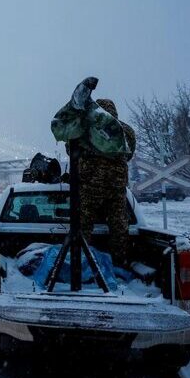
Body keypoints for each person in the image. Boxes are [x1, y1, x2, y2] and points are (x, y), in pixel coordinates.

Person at [79, 98, 136, 267]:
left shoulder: (86, 128)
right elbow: (129, 154)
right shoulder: (126, 130)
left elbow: (72, 149)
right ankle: (119, 262)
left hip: (89, 185)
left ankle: (82, 262)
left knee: (83, 226)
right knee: (119, 227)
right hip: (116, 187)